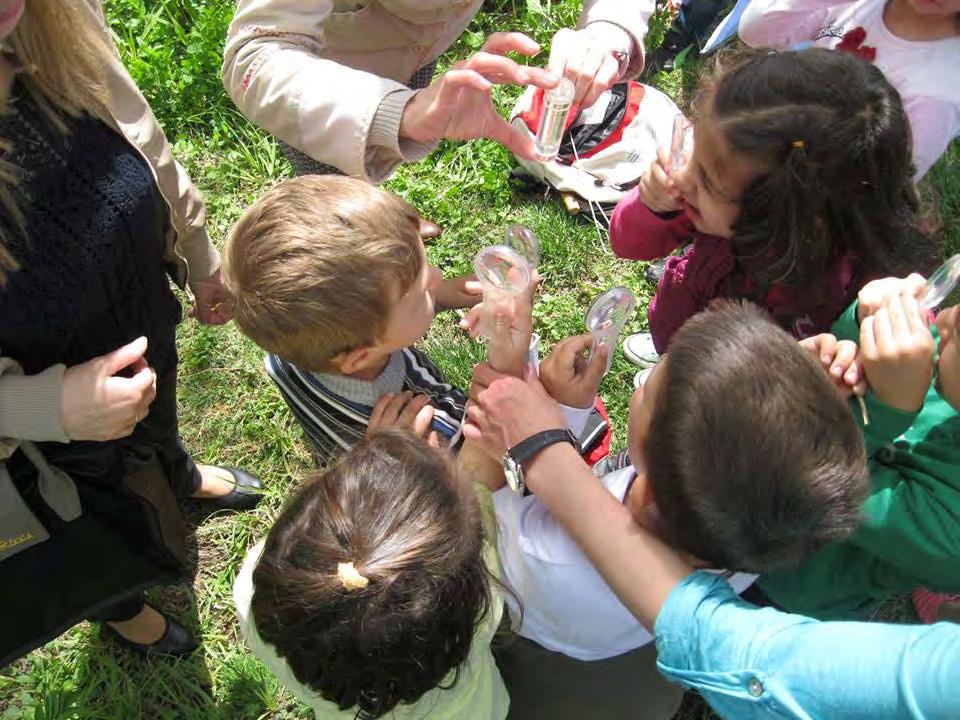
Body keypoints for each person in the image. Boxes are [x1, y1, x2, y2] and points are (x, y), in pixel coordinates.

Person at [464, 312, 960, 720]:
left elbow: (481, 522)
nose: (637, 388)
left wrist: (533, 432)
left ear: (653, 482)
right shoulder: (751, 521)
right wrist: (803, 404)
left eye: (644, 389)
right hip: (634, 653)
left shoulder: (552, 560)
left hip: (547, 649)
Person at [0, 0, 259, 663]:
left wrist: (197, 252)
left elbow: (141, 137)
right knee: (87, 513)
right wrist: (47, 407)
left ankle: (175, 476)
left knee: (156, 418)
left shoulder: (47, 18)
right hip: (40, 420)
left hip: (136, 307)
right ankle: (117, 604)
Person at [222, 175, 609, 464]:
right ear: (359, 355)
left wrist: (438, 295)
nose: (439, 279)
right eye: (423, 292)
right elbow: (485, 481)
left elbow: (388, 311)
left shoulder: (295, 347)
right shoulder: (414, 432)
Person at [608, 48, 940, 372]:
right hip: (678, 336)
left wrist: (751, 345)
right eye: (692, 142)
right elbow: (627, 243)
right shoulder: (714, 194)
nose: (683, 176)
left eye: (707, 180)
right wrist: (653, 208)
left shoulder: (857, 299)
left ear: (785, 216)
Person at [221, 1, 654, 186]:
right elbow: (255, 55)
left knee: (377, 180)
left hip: (421, 49)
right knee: (334, 196)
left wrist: (609, 28)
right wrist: (399, 112)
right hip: (326, 84)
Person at [755, 275, 960, 619]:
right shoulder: (944, 363)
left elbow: (818, 483)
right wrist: (865, 324)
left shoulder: (953, 537)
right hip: (763, 475)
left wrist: (889, 405)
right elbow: (844, 361)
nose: (940, 321)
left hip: (783, 583)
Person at [739, 0, 960, 179]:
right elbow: (755, 33)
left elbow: (886, 184)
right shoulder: (858, 5)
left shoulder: (939, 96)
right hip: (759, 137)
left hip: (804, 187)